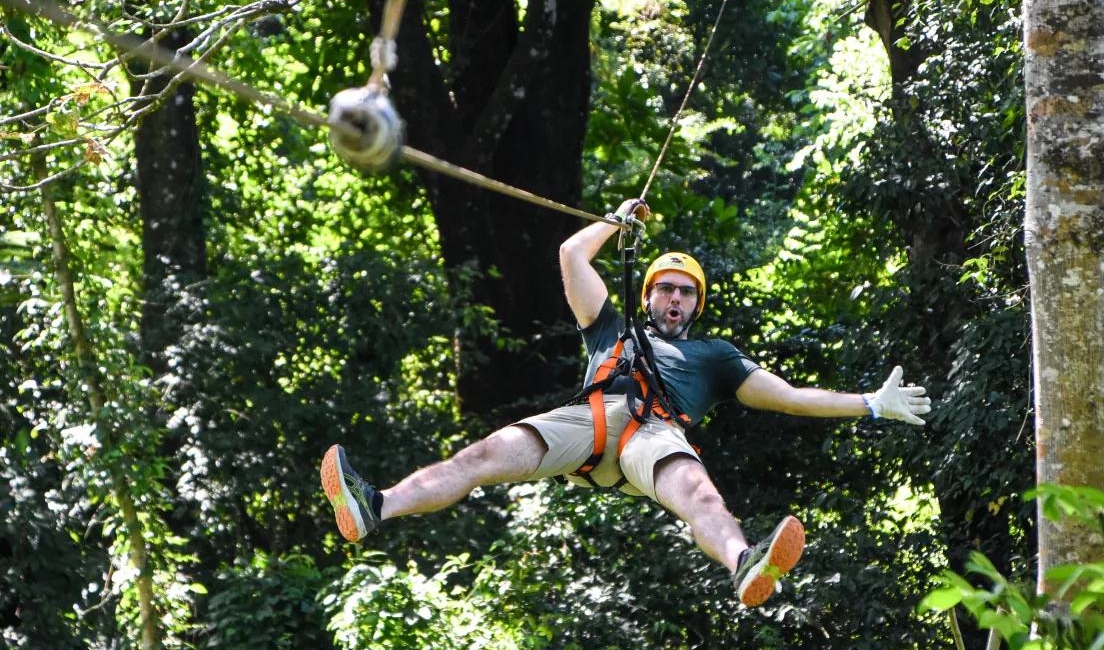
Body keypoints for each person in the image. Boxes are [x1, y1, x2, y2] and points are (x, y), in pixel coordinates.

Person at [320, 199, 931, 607]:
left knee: (700, 496)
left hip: (652, 435)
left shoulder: (716, 357)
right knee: (484, 454)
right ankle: (378, 506)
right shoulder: (608, 327)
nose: (674, 298)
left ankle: (744, 562)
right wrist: (617, 220)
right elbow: (570, 255)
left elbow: (791, 398)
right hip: (587, 418)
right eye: (664, 287)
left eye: (686, 293)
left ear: (697, 304)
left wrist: (869, 404)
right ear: (648, 294)